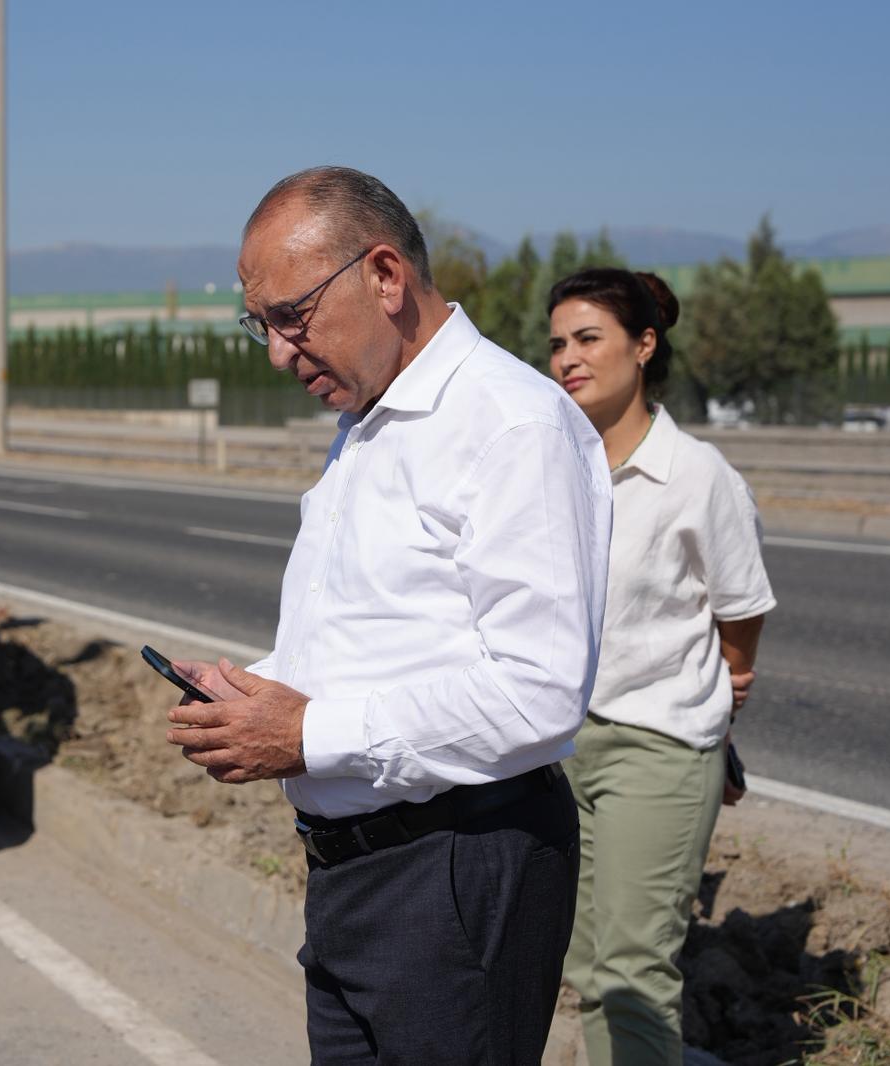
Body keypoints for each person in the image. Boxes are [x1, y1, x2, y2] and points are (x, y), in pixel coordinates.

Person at [167, 166, 613, 1064]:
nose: (278, 353)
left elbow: (537, 694)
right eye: (260, 326)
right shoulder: (370, 424)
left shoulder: (510, 425)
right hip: (358, 875)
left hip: (454, 867)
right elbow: (386, 635)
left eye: (292, 317)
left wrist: (307, 734)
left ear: (383, 275)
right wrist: (255, 696)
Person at [546, 268, 775, 1065]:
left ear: (644, 345)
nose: (568, 359)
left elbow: (741, 608)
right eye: (557, 344)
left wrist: (721, 697)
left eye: (588, 339)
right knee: (584, 965)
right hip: (567, 746)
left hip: (658, 746)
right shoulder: (558, 469)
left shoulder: (698, 475)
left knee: (632, 973)